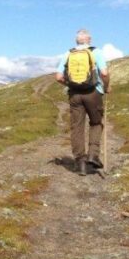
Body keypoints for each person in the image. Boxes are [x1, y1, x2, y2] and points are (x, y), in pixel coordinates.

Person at [54, 29, 110, 176]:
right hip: (93, 92)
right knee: (96, 122)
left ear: (76, 40)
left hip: (74, 95)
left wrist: (70, 85)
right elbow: (104, 73)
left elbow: (58, 76)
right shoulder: (95, 52)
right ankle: (93, 155)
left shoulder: (68, 53)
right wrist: (106, 87)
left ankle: (80, 162)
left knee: (77, 127)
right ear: (89, 40)